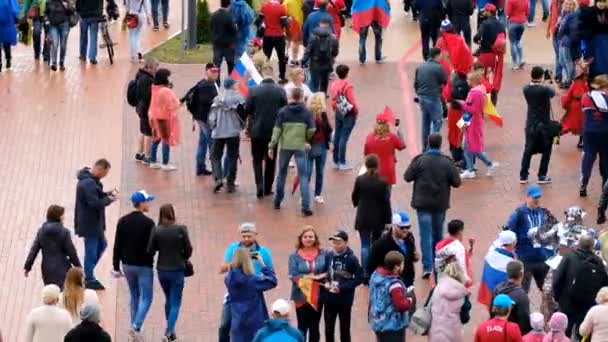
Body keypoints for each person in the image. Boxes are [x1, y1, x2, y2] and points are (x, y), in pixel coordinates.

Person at [404, 133, 461, 277]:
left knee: (425, 235)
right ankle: (439, 263)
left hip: (422, 203)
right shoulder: (447, 162)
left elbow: (407, 177)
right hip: (439, 203)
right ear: (440, 144)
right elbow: (457, 182)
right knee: (438, 234)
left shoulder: (420, 160)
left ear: (428, 143)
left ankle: (427, 267)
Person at [219, 222, 275, 342]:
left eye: (249, 236)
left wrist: (259, 268)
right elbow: (222, 269)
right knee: (224, 325)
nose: (246, 239)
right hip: (237, 291)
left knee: (256, 327)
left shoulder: (264, 252)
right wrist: (239, 262)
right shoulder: (233, 249)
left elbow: (270, 271)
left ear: (255, 234)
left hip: (255, 290)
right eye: (243, 236)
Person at [111, 190, 155, 340]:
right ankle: (136, 326)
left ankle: (134, 327)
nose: (149, 204)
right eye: (147, 201)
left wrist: (116, 266)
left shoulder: (122, 221)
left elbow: (117, 244)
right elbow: (152, 246)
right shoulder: (149, 223)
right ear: (141, 204)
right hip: (144, 265)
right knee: (147, 297)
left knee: (134, 294)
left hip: (127, 264)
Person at [147, 204, 193, 342]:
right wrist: (183, 256)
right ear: (172, 213)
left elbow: (150, 250)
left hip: (162, 269)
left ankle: (171, 331)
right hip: (177, 269)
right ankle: (168, 332)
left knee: (168, 299)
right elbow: (188, 249)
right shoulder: (181, 229)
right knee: (175, 302)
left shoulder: (156, 230)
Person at [269, 87, 316, 216]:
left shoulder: (283, 111)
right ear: (301, 97)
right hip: (300, 146)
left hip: (285, 146)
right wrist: (306, 138)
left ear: (290, 97)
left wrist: (272, 145)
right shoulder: (307, 112)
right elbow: (312, 129)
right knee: (303, 176)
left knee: (282, 173)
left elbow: (277, 129)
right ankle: (305, 206)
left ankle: (278, 200)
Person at [245, 64, 288, 198]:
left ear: (263, 75)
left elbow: (247, 109)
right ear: (273, 74)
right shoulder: (280, 91)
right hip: (273, 131)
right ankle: (268, 187)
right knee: (271, 160)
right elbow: (284, 108)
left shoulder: (253, 90)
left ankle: (259, 185)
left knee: (257, 159)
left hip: (256, 130)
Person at [553, 234, 608, 339]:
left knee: (566, 332)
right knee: (583, 333)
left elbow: (558, 279)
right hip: (587, 304)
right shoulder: (598, 261)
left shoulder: (569, 257)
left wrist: (558, 297)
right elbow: (604, 283)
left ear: (578, 244)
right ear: (592, 246)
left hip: (568, 302)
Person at [74, 158, 116, 290]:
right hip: (90, 224)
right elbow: (93, 203)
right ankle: (89, 277)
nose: (105, 176)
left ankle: (88, 272)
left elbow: (95, 196)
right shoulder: (89, 184)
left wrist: (106, 194)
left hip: (93, 223)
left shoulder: (90, 181)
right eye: (105, 173)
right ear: (99, 168)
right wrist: (108, 200)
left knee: (101, 245)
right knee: (91, 251)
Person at [351, 154, 392, 279]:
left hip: (363, 216)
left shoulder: (360, 180)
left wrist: (357, 203)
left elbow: (355, 196)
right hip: (378, 218)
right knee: (375, 243)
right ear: (377, 166)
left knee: (364, 245)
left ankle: (365, 272)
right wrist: (388, 220)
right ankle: (373, 269)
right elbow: (386, 202)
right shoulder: (383, 182)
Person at [225, 247, 278, 342]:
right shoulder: (251, 279)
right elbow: (272, 281)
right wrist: (262, 263)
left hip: (237, 318)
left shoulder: (229, 278)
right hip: (254, 317)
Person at [507, 184, 552, 293]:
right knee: (522, 291)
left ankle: (549, 309)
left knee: (547, 291)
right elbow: (509, 233)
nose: (537, 200)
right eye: (534, 197)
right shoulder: (518, 214)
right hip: (525, 259)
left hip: (541, 258)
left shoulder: (543, 212)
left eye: (538, 197)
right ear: (527, 197)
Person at [24, 205, 81, 289]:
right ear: (59, 217)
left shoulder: (41, 232)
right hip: (63, 267)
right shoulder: (64, 232)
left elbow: (34, 250)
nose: (64, 217)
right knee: (64, 292)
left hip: (47, 268)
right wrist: (78, 266)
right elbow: (71, 251)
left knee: (51, 293)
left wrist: (27, 267)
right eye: (63, 215)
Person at [456, 70, 500, 179]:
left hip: (472, 122)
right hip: (472, 121)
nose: (466, 81)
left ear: (473, 81)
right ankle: (470, 169)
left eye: (468, 79)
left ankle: (488, 164)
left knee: (474, 148)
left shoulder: (475, 93)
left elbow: (474, 109)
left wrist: (462, 105)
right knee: (467, 147)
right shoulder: (480, 90)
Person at [288, 226, 329, 342]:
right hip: (301, 294)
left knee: (315, 326)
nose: (308, 239)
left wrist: (323, 277)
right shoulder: (294, 256)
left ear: (315, 238)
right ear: (301, 239)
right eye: (305, 237)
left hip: (318, 294)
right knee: (302, 326)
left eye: (311, 236)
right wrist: (313, 277)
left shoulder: (323, 254)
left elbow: (328, 271)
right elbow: (292, 275)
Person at [519, 66, 559, 184]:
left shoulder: (526, 89)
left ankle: (523, 176)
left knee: (528, 150)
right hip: (544, 124)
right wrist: (552, 78)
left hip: (531, 123)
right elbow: (556, 92)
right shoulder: (545, 89)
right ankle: (542, 176)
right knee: (546, 150)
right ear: (542, 76)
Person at [324, 230, 363, 342]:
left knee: (345, 329)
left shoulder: (352, 259)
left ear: (346, 242)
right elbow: (325, 271)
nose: (336, 245)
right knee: (328, 327)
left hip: (344, 299)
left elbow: (359, 278)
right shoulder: (329, 255)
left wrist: (342, 287)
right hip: (329, 298)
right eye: (334, 242)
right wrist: (326, 281)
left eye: (339, 242)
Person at [209, 78, 246, 193]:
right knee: (232, 157)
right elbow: (243, 115)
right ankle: (230, 182)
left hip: (218, 132)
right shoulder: (239, 98)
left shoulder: (217, 99)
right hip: (233, 132)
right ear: (233, 86)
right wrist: (242, 126)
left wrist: (213, 126)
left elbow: (211, 118)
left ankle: (218, 178)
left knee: (215, 156)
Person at [368, 251, 414, 342]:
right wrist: (410, 299)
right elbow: (401, 305)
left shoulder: (375, 276)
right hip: (393, 326)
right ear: (396, 267)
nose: (403, 266)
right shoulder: (394, 285)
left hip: (378, 322)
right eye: (402, 264)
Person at [182, 63, 220, 176]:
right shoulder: (207, 85)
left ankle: (200, 167)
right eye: (213, 71)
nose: (215, 74)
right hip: (206, 119)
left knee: (202, 143)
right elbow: (206, 101)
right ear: (206, 71)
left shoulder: (201, 83)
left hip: (200, 118)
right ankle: (217, 172)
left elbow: (189, 94)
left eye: (216, 71)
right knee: (212, 145)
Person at [367, 212, 418, 287]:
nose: (405, 230)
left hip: (408, 283)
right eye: (402, 227)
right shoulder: (382, 244)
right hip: (389, 286)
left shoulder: (409, 238)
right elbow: (371, 266)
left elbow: (410, 257)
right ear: (393, 226)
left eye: (407, 227)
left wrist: (415, 257)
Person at [579, 75, 608, 198]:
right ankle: (604, 188)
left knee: (588, 158)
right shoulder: (606, 98)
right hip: (605, 132)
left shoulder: (586, 96)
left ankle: (583, 184)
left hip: (589, 132)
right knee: (605, 160)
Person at [414, 47, 448, 149]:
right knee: (437, 121)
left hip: (421, 98)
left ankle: (424, 146)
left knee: (425, 123)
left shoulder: (420, 67)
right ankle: (432, 146)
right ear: (437, 55)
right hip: (433, 97)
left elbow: (416, 84)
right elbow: (445, 81)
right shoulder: (438, 67)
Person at [429, 262, 471, 342]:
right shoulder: (462, 293)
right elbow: (465, 318)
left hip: (435, 333)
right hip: (453, 335)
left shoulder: (436, 289)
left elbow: (427, 308)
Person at [363, 111, 405, 191]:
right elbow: (402, 146)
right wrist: (398, 128)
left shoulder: (369, 138)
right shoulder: (392, 137)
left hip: (374, 172)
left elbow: (366, 154)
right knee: (386, 196)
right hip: (388, 170)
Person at [474, 4, 506, 105]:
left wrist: (478, 41)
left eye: (485, 11)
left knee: (481, 77)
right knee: (494, 77)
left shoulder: (485, 24)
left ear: (488, 12)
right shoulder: (501, 24)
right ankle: (493, 101)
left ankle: (481, 101)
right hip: (496, 56)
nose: (484, 13)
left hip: (485, 53)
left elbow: (477, 37)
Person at [149, 68, 181, 171]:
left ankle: (153, 161)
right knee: (165, 140)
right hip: (163, 118)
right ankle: (165, 163)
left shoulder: (154, 87)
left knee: (156, 138)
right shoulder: (165, 91)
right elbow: (174, 104)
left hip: (153, 116)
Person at [329, 64, 359, 170]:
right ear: (346, 73)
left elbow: (333, 99)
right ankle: (342, 161)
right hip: (348, 113)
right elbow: (352, 101)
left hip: (338, 111)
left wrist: (335, 109)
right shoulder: (348, 86)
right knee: (344, 137)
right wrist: (356, 111)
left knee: (337, 135)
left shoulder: (333, 84)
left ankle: (336, 160)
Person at [478, 230, 518, 306]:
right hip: (501, 296)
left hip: (488, 292)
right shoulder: (510, 262)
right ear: (512, 244)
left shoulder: (491, 253)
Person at [492, 260, 532, 335]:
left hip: (497, 331)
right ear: (521, 274)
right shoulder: (521, 295)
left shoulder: (497, 289)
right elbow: (525, 322)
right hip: (513, 334)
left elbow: (492, 312)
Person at [306, 93, 332, 203]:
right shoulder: (322, 115)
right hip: (320, 145)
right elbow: (328, 129)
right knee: (319, 171)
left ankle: (305, 193)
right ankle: (317, 194)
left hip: (310, 145)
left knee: (308, 171)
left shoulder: (308, 115)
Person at [302, 17, 339, 93]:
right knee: (324, 83)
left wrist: (303, 61)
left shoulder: (313, 36)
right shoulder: (333, 37)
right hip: (327, 63)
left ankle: (314, 98)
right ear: (329, 26)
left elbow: (308, 51)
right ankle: (323, 96)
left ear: (319, 25)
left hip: (315, 63)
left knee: (314, 82)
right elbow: (335, 53)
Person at [560, 59, 591, 149]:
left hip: (580, 108)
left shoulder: (582, 81)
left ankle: (581, 142)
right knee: (568, 125)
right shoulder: (579, 83)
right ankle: (555, 138)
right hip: (578, 108)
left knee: (575, 125)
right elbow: (577, 95)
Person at [134, 57, 158, 164]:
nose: (156, 70)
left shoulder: (140, 76)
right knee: (148, 132)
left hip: (140, 107)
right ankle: (147, 156)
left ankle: (139, 153)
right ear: (149, 67)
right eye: (155, 68)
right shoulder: (147, 80)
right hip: (146, 109)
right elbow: (149, 95)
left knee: (143, 131)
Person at [76, 0, 117, 64]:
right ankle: (92, 57)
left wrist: (78, 11)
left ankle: (83, 55)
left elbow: (78, 2)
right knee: (93, 36)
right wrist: (112, 5)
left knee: (83, 36)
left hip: (84, 15)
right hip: (95, 14)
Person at [434, 219, 472, 286]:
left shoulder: (439, 245)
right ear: (460, 232)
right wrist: (468, 281)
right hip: (455, 285)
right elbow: (462, 266)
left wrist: (471, 248)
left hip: (440, 282)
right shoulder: (459, 248)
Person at [352, 0, 390, 64]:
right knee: (378, 37)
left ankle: (362, 59)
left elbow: (355, 3)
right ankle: (378, 57)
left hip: (363, 15)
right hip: (376, 14)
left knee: (362, 38)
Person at [260, 0, 288, 80]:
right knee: (281, 57)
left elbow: (259, 20)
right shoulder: (282, 8)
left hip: (267, 35)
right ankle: (282, 76)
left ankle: (264, 76)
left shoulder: (264, 6)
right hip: (279, 35)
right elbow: (284, 23)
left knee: (266, 56)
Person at [210, 0, 238, 75]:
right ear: (229, 5)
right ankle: (230, 83)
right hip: (228, 45)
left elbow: (211, 27)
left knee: (216, 65)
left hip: (217, 44)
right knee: (231, 65)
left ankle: (216, 83)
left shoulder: (214, 15)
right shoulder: (229, 17)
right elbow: (234, 31)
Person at [45, 0, 71, 71]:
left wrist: (67, 7)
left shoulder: (65, 1)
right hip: (53, 26)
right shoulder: (49, 2)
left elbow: (71, 12)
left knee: (63, 45)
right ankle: (54, 63)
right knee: (55, 44)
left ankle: (61, 62)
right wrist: (47, 21)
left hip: (64, 25)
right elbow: (46, 13)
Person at [505, 0, 529, 70]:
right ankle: (520, 60)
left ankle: (515, 63)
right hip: (522, 22)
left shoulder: (510, 1)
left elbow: (508, 12)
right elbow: (527, 12)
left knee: (513, 43)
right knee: (518, 41)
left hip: (513, 22)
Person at [0, 0, 18, 72]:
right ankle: (7, 59)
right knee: (6, 42)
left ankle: (6, 60)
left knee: (6, 42)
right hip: (7, 22)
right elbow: (15, 9)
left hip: (6, 23)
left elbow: (14, 9)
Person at [284, 0, 304, 65]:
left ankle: (287, 55)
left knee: (288, 39)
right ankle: (293, 59)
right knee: (296, 41)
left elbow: (284, 13)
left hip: (289, 21)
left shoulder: (286, 1)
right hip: (296, 22)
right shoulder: (299, 1)